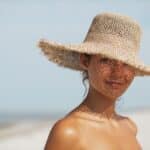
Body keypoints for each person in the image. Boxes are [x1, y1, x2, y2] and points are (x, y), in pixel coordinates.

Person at [38, 12, 150, 150]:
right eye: (106, 60)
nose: (118, 72)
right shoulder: (68, 132)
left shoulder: (129, 126)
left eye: (126, 63)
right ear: (85, 61)